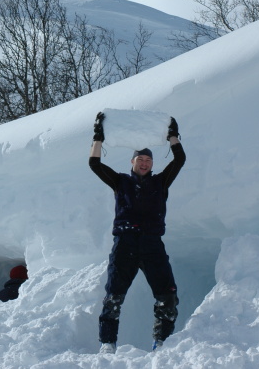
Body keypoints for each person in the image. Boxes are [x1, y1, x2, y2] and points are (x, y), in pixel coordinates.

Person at [89, 111, 186, 354]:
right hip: (125, 243)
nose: (144, 162)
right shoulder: (120, 182)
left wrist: (173, 137)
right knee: (114, 297)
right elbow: (94, 164)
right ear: (132, 162)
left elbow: (180, 160)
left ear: (152, 164)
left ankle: (161, 342)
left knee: (167, 295)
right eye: (140, 159)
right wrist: (98, 137)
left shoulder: (160, 182)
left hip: (153, 245)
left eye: (148, 160)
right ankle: (107, 344)